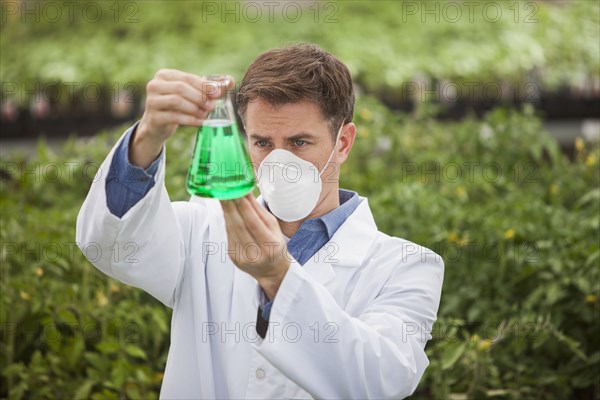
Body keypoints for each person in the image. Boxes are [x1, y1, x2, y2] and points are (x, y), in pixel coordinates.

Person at [76, 43, 444, 399]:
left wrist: (278, 277)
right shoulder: (203, 228)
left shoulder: (407, 267)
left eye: (300, 142)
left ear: (343, 142)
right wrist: (147, 137)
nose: (278, 162)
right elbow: (110, 245)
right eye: (262, 142)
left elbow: (380, 381)